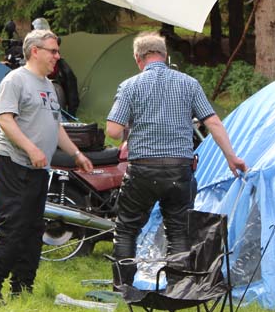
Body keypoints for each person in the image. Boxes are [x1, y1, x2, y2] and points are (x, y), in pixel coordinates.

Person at [104, 32, 247, 288]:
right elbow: (213, 122)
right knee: (178, 231)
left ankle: (123, 286)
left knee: (126, 229)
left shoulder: (130, 86)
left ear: (138, 58)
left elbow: (113, 131)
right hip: (180, 169)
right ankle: (177, 288)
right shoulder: (189, 84)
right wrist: (231, 157)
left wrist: (135, 125)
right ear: (165, 55)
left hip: (142, 170)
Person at [0, 29, 94, 304]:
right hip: (14, 164)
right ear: (35, 51)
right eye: (53, 51)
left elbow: (56, 126)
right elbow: (5, 120)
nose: (57, 56)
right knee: (14, 227)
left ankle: (22, 287)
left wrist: (77, 154)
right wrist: (31, 149)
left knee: (33, 229)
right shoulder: (15, 80)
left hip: (39, 169)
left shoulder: (50, 87)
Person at [31, 18, 80, 115]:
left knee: (69, 75)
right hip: (35, 66)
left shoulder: (51, 38)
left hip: (52, 65)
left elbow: (56, 44)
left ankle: (71, 110)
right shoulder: (30, 40)